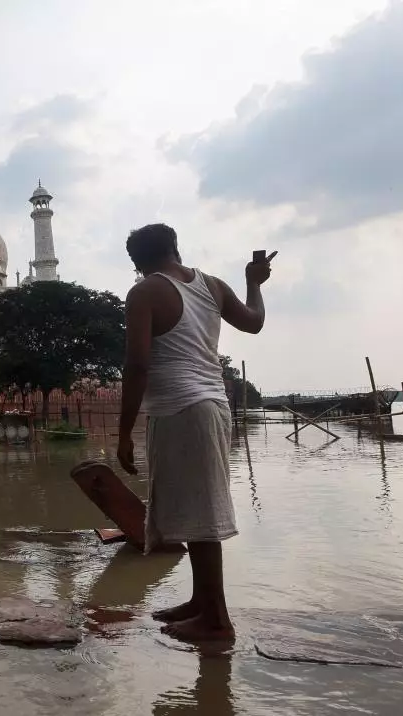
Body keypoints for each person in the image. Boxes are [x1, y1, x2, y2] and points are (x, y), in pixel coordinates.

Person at [116, 223, 272, 642]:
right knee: (195, 507)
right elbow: (254, 322)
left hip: (182, 410)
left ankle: (216, 619)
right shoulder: (213, 285)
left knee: (201, 517)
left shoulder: (145, 292)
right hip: (213, 406)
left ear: (137, 260)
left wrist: (123, 430)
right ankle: (201, 601)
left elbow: (136, 367)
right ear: (174, 248)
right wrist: (253, 283)